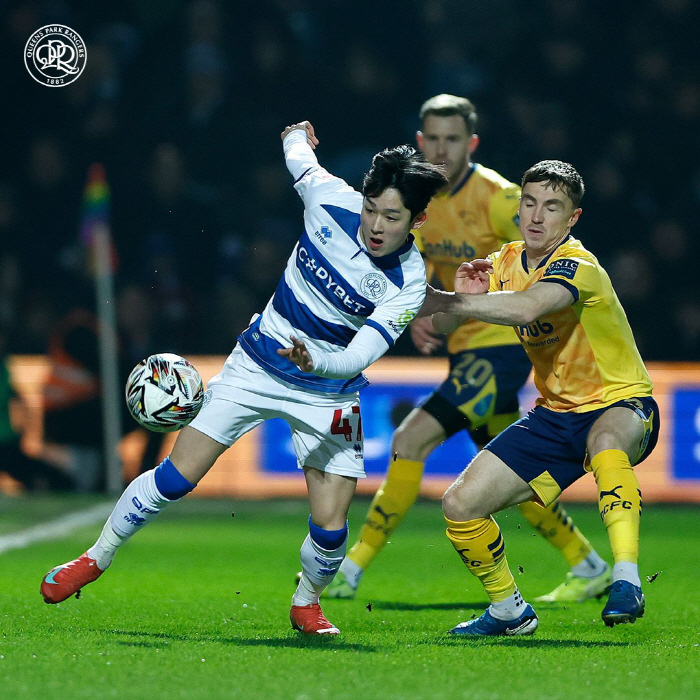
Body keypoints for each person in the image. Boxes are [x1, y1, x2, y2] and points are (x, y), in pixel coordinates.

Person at [40, 120, 448, 636]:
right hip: (255, 364)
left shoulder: (409, 283)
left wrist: (315, 361)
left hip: (327, 392)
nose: (375, 224)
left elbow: (359, 355)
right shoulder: (329, 198)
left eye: (391, 217)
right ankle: (94, 559)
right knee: (175, 477)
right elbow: (296, 153)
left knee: (331, 527)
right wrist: (295, 134)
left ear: (418, 219)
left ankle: (306, 601)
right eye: (371, 209)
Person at [328, 95, 611, 603]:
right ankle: (586, 562)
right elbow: (423, 267)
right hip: (465, 349)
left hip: (504, 350)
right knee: (508, 469)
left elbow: (562, 251)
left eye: (452, 139)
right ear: (419, 142)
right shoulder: (418, 201)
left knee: (411, 439)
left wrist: (542, 309)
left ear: (471, 143)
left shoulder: (502, 198)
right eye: (432, 138)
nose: (441, 148)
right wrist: (429, 313)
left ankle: (350, 568)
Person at [420, 159, 658, 635]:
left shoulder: (578, 265)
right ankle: (509, 610)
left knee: (607, 443)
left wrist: (456, 302)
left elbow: (529, 306)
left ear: (572, 219)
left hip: (621, 403)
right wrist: (457, 293)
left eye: (552, 207)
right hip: (554, 417)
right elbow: (443, 325)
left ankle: (627, 579)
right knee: (459, 504)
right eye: (530, 202)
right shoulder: (506, 260)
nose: (536, 215)